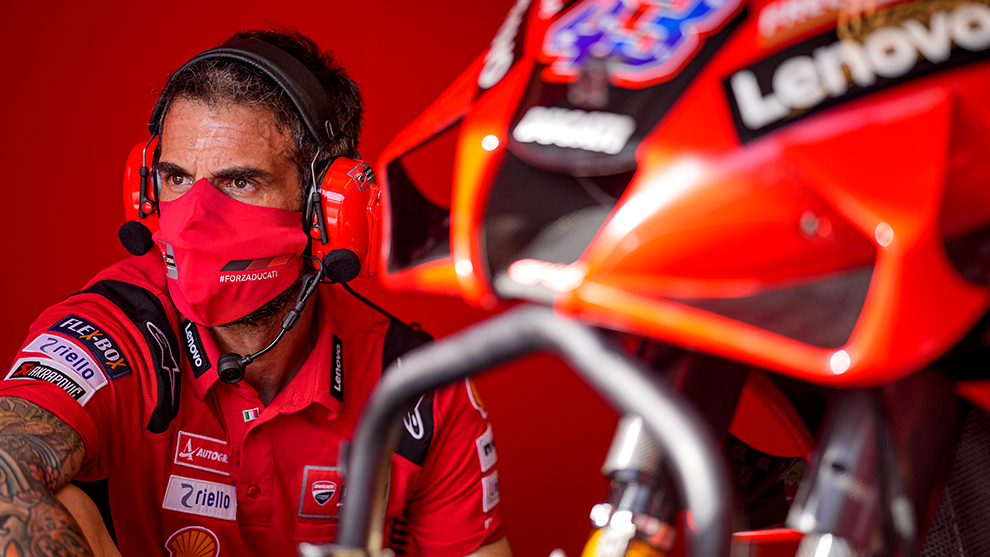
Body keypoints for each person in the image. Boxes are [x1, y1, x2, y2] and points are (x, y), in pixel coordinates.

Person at [0, 28, 510, 557]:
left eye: (239, 183)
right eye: (175, 178)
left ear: (328, 210)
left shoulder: (418, 388)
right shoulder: (115, 330)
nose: (193, 221)